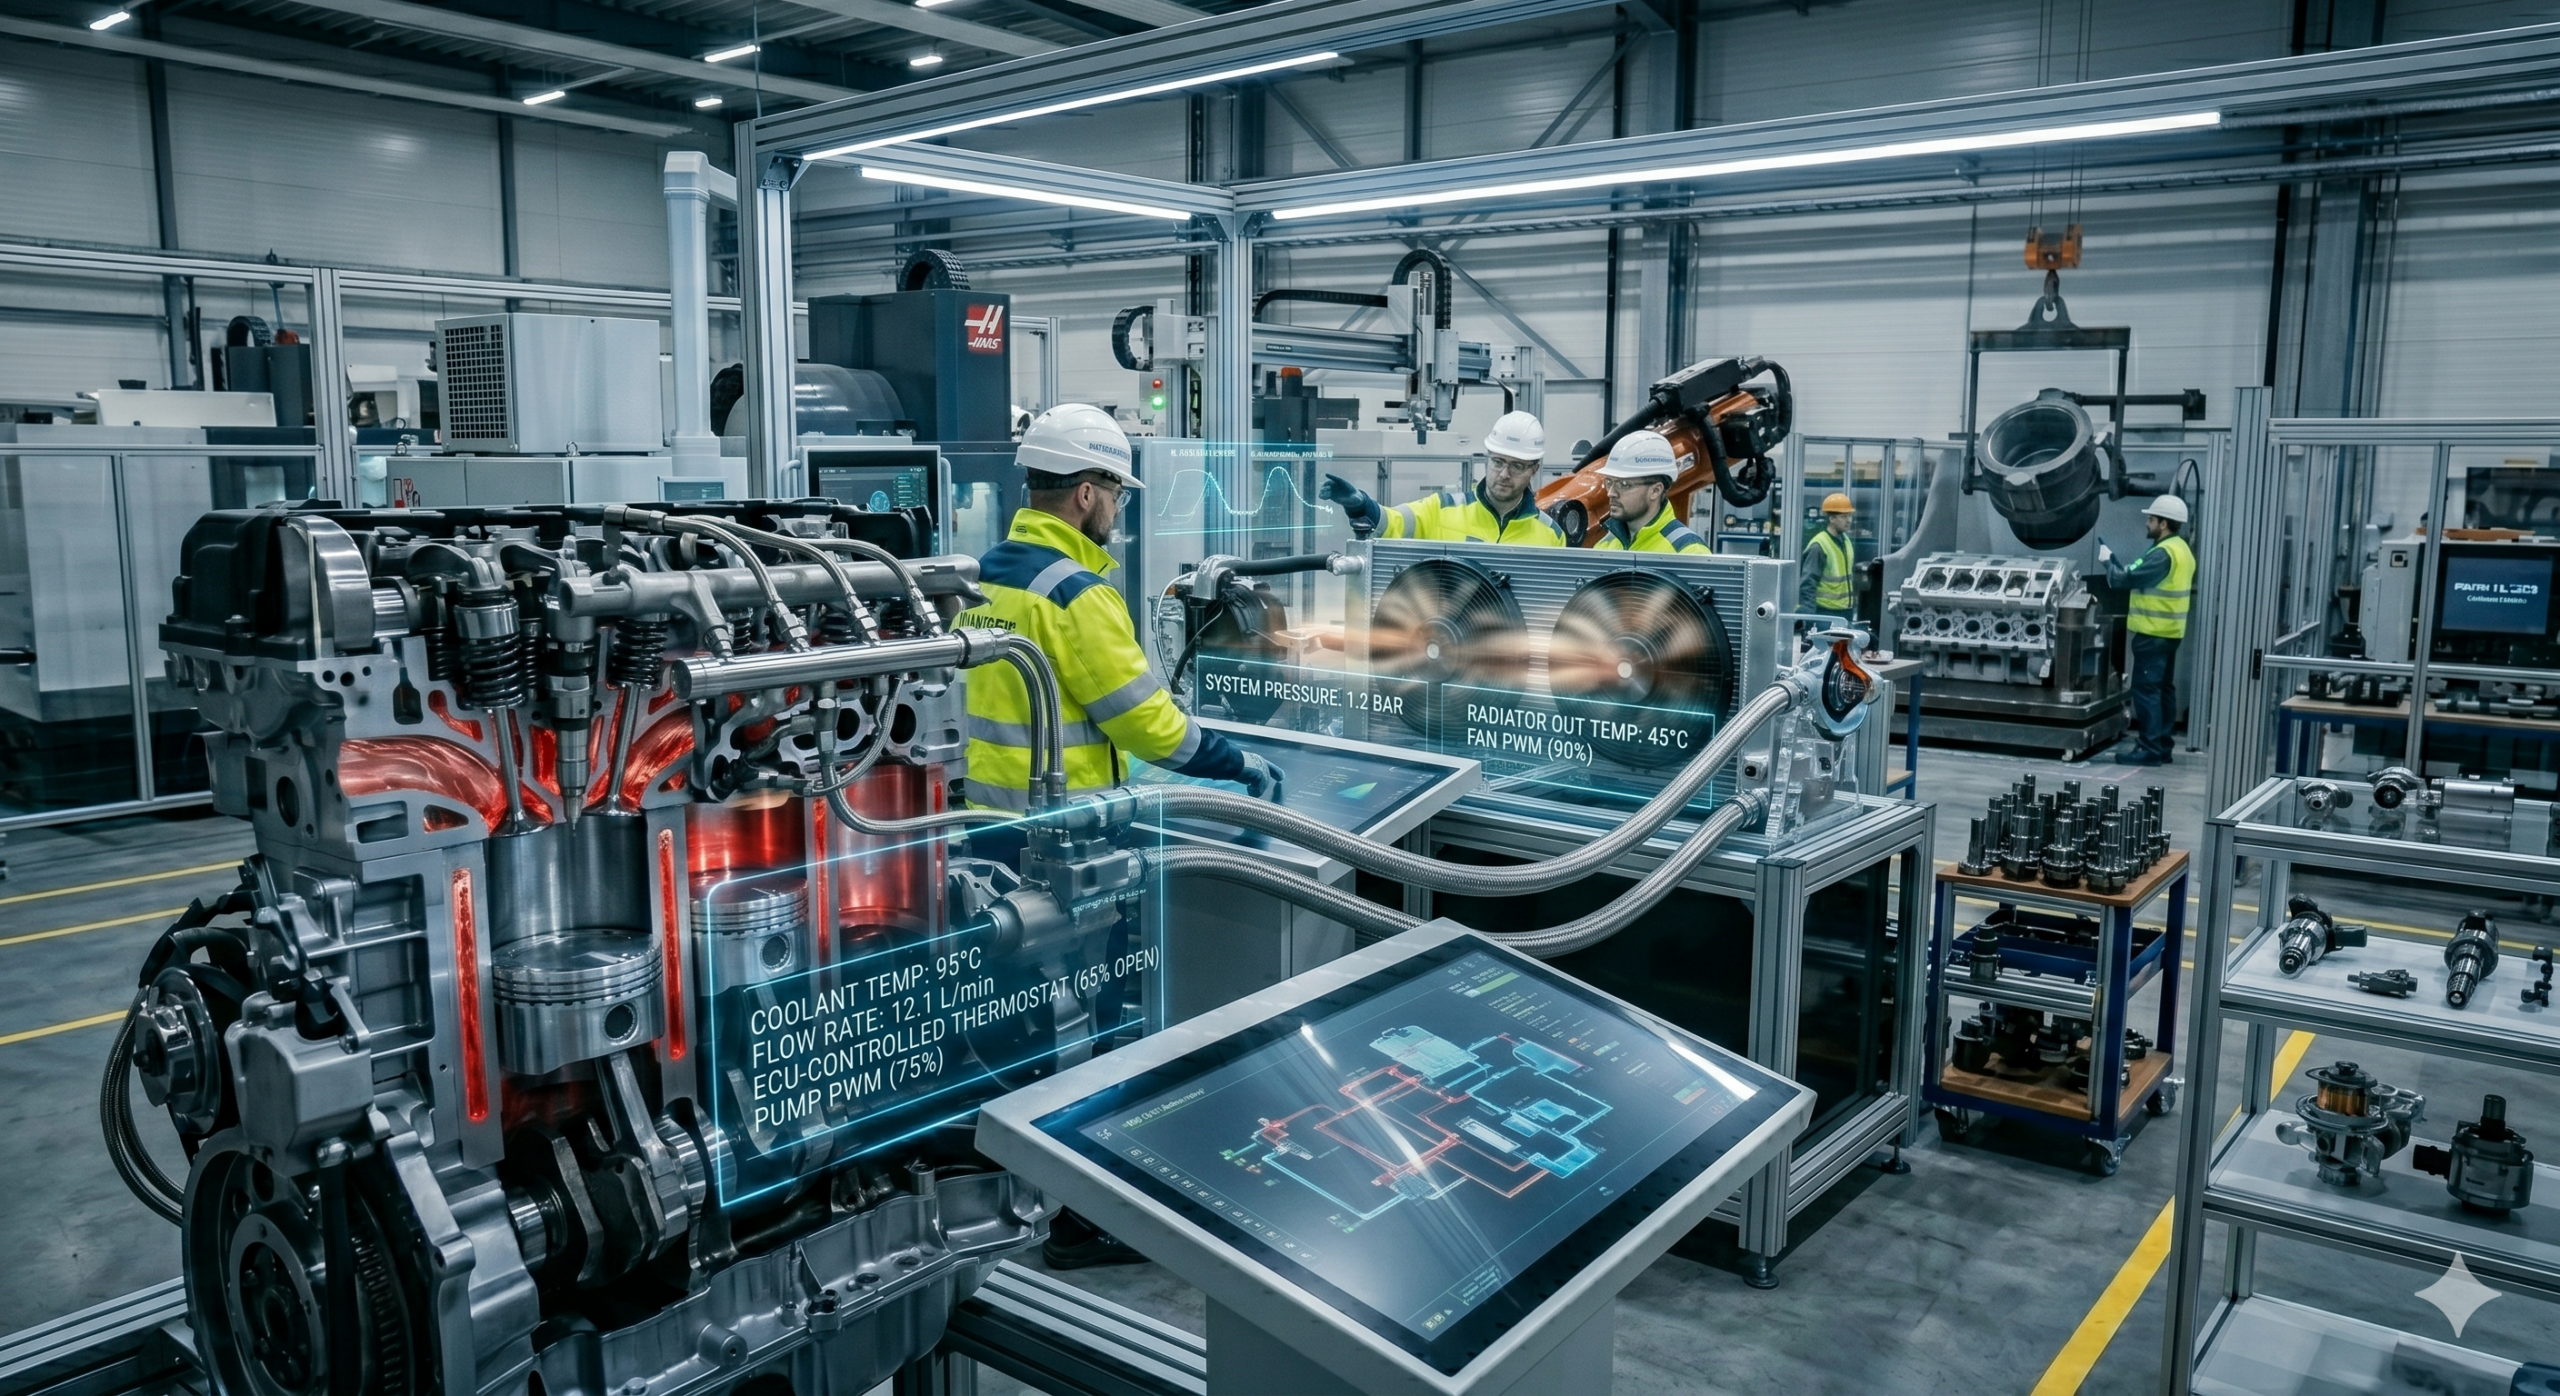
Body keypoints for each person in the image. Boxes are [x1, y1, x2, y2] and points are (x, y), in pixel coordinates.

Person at [953, 404, 1281, 1270]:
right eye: (1117, 496)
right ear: (1087, 494)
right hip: (1063, 845)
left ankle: (1003, 1184)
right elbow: (1147, 727)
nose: (1121, 512)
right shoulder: (1075, 592)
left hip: (978, 838)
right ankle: (1078, 1214)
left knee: (1011, 1014)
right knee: (1088, 1019)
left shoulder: (981, 575)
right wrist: (1230, 759)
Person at [1320, 409, 1564, 546]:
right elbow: (1393, 522)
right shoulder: (1442, 509)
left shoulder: (1551, 535)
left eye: (1517, 467)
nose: (1503, 474)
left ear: (1534, 469)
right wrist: (1360, 504)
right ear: (1487, 457)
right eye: (1497, 462)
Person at [2101, 495, 2196, 767]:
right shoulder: (2181, 549)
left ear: (2163, 523)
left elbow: (2125, 578)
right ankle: (2162, 746)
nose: (2147, 523)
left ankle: (2149, 749)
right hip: (2170, 633)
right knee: (2163, 689)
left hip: (2152, 634)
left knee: (2146, 691)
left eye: (2151, 519)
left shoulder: (2162, 553)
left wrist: (2108, 561)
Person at [1588, 430, 1711, 553]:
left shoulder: (1688, 550)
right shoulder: (1606, 544)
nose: (1611, 493)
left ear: (1655, 491)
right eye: (1609, 482)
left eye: (1624, 484)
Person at [1800, 492, 1859, 620]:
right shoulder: (1819, 546)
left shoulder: (1846, 541)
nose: (1849, 520)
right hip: (1825, 613)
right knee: (1832, 641)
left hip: (1845, 611)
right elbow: (1808, 582)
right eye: (1844, 516)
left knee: (1844, 641)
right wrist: (1809, 616)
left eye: (1850, 516)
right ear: (1831, 519)